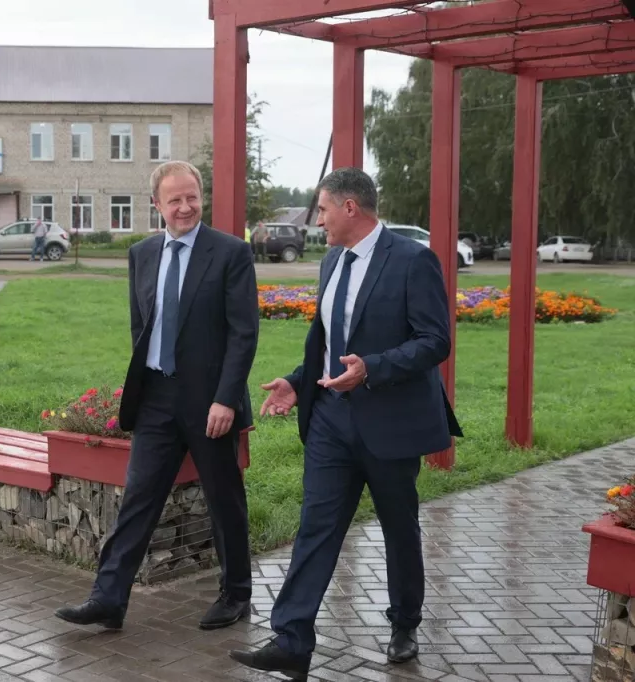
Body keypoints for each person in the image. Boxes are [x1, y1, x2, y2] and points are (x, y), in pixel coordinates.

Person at [229, 167, 463, 681]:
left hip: (391, 422)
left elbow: (435, 340)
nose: (319, 221)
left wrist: (372, 368)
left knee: (399, 527)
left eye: (323, 209)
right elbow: (327, 342)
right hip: (331, 420)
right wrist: (298, 382)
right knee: (316, 525)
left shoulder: (413, 260)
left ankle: (404, 622)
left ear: (350, 207)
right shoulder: (331, 261)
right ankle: (291, 640)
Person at [54, 160, 259, 632]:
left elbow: (244, 334)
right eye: (175, 200)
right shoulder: (142, 253)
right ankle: (108, 598)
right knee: (138, 498)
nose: (185, 207)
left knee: (223, 499)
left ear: (201, 197)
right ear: (157, 205)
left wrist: (226, 398)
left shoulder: (230, 253)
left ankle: (236, 594)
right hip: (156, 398)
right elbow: (140, 325)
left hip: (210, 402)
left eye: (192, 197)